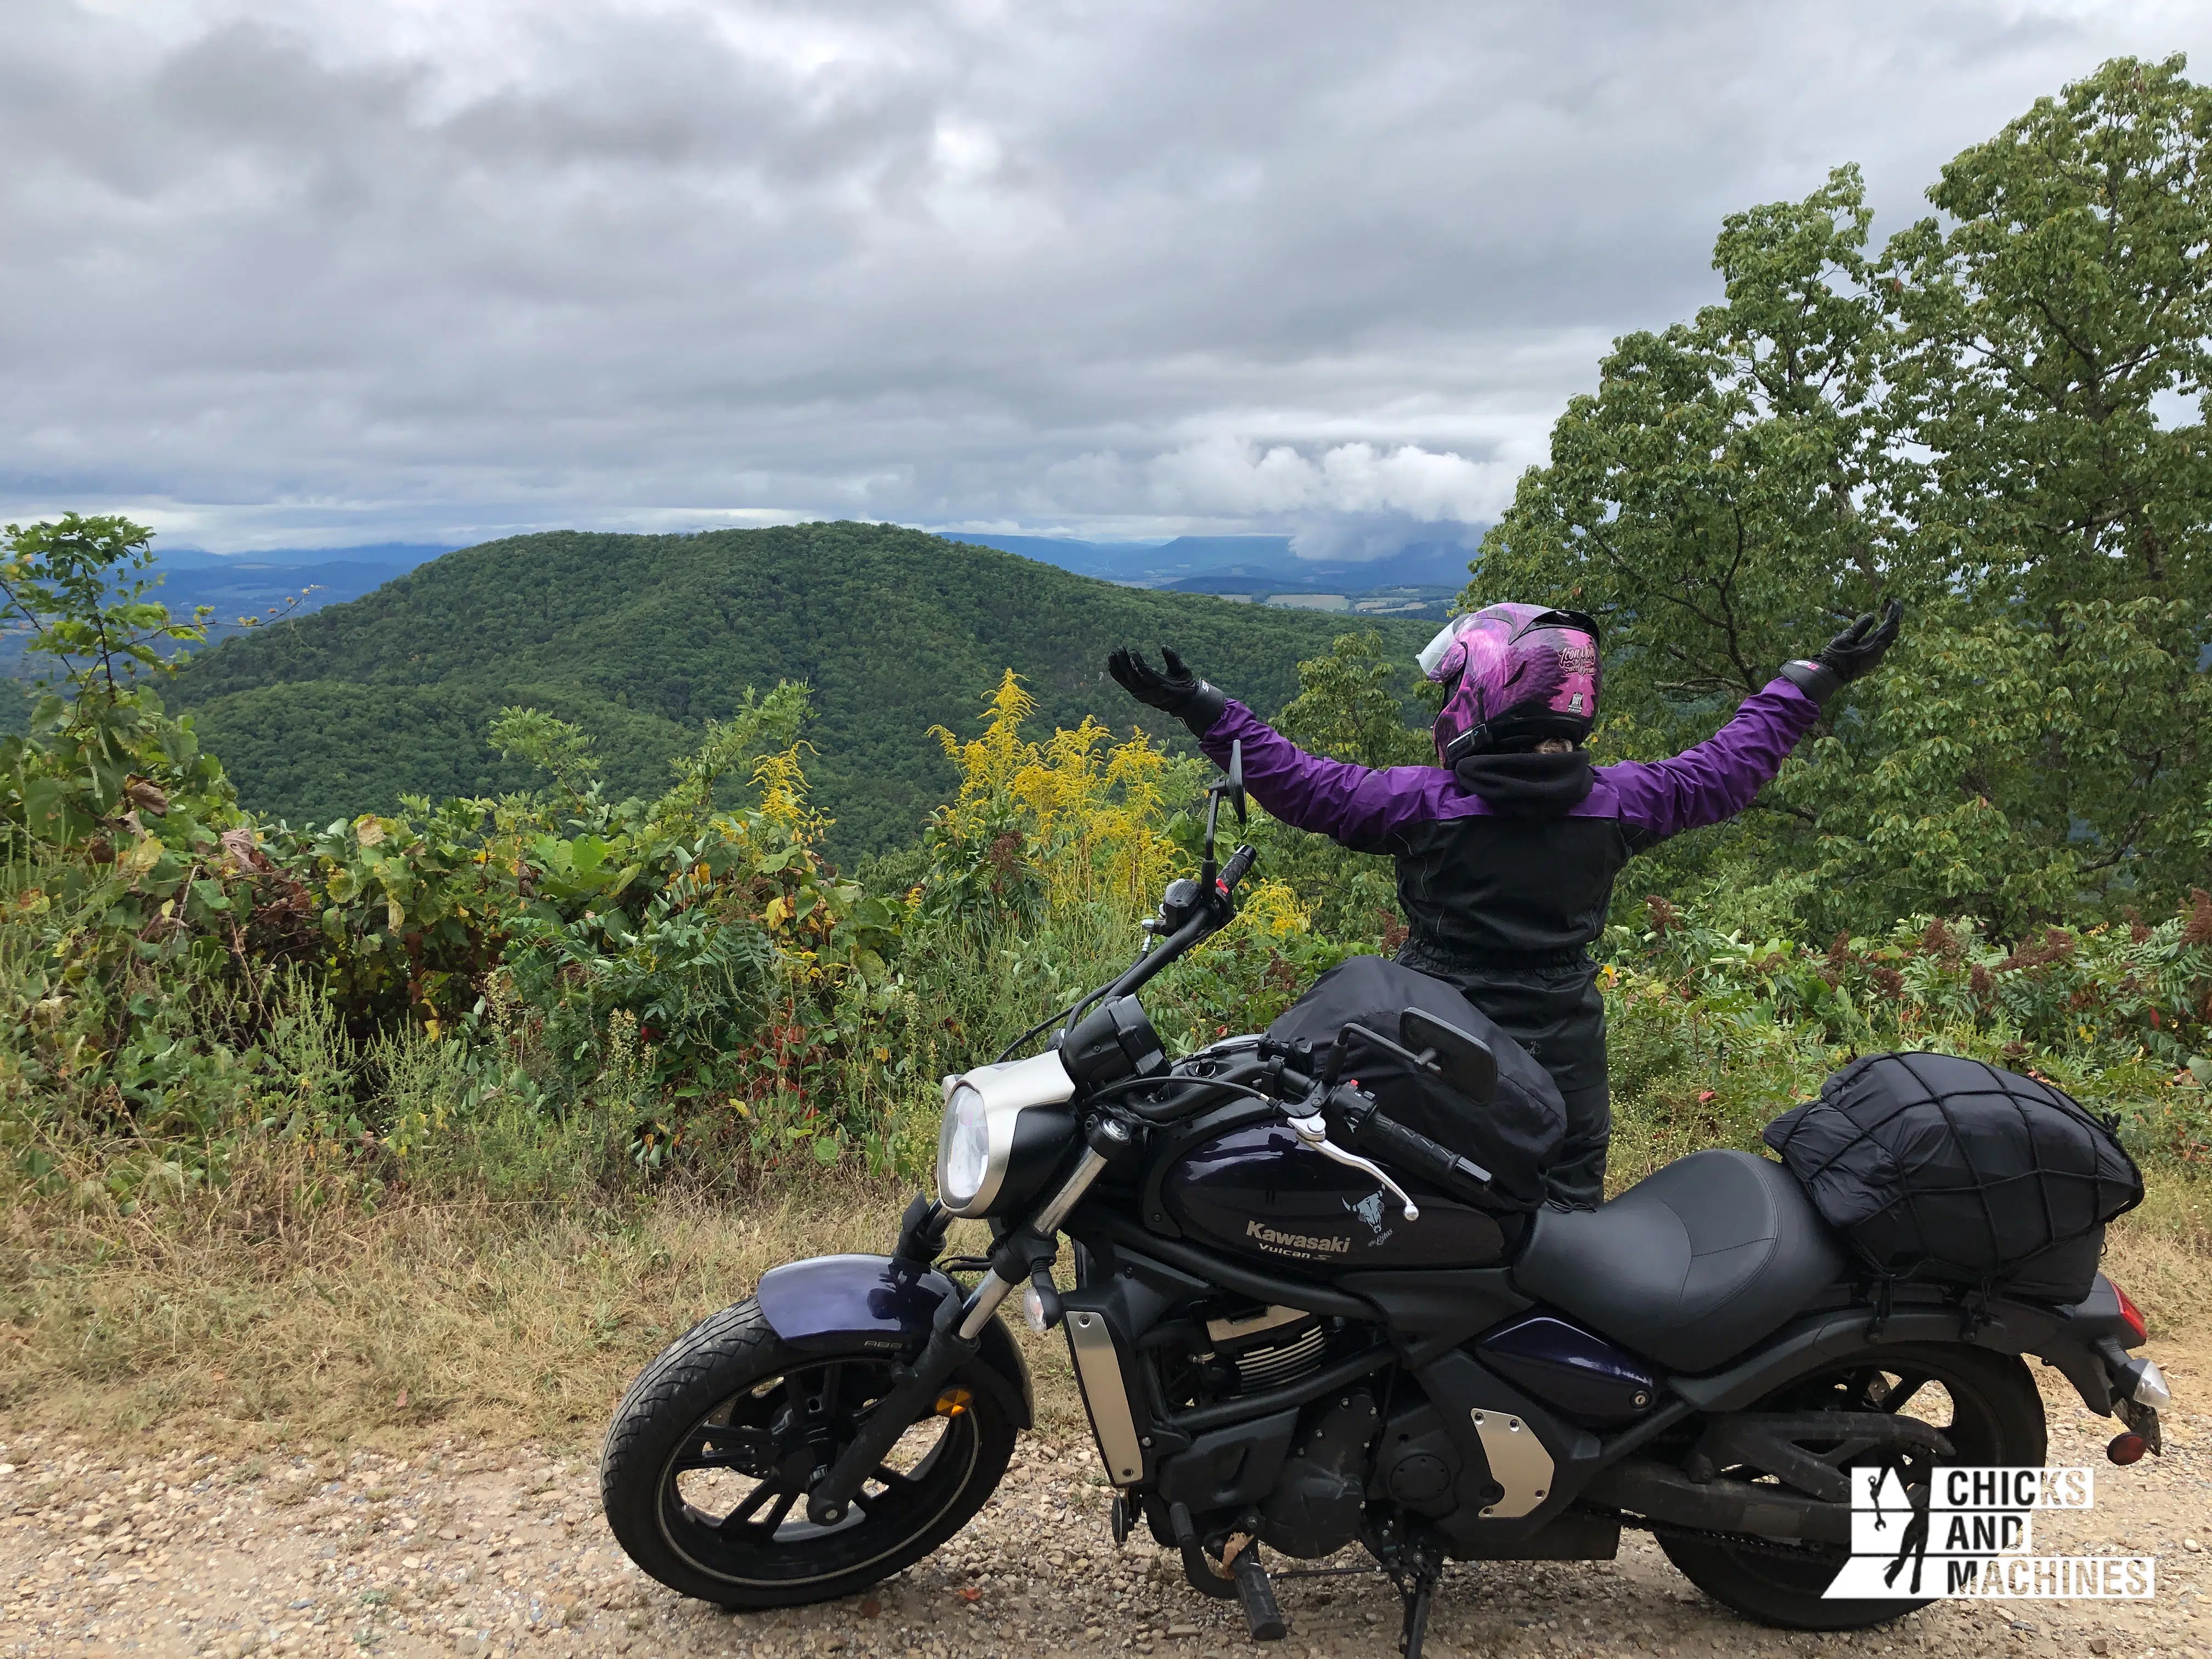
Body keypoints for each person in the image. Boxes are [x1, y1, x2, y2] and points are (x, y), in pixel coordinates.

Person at [1107, 599, 1903, 1209]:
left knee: (1422, 1220)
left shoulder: (1421, 804)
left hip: (1434, 1052)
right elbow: (1730, 765)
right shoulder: (1623, 801)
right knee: (1566, 1240)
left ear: (1481, 696)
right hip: (1566, 1061)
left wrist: (1202, 707)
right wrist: (1810, 681)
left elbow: (1300, 781)